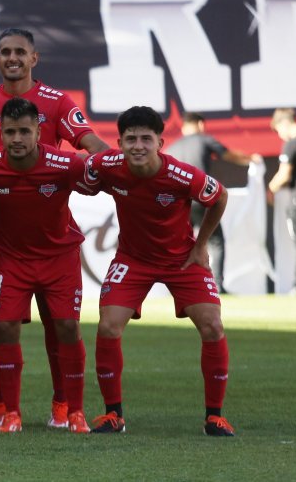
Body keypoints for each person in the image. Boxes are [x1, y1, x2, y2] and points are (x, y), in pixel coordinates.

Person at [0, 28, 108, 429]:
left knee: (61, 327)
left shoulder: (56, 103)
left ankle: (65, 405)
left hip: (49, 231)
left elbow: (91, 145)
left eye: (20, 52)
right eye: (5, 52)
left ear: (34, 58)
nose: (12, 58)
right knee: (1, 323)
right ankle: (6, 406)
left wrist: (111, 169)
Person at [84, 106, 234, 436]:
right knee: (108, 326)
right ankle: (114, 415)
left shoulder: (182, 175)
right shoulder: (106, 165)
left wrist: (200, 246)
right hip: (132, 259)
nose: (138, 145)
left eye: (146, 139)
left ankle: (215, 417)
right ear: (120, 142)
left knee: (212, 325)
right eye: (131, 139)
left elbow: (219, 196)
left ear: (160, 143)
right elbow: (84, 177)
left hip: (182, 259)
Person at [0, 98, 92, 434]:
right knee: (6, 328)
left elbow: (103, 178)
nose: (17, 139)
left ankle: (75, 411)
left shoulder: (66, 164)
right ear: (0, 133)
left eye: (25, 131)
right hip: (12, 259)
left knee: (67, 326)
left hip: (59, 257)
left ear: (40, 132)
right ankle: (11, 413)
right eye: (10, 132)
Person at [165, 112, 260, 292]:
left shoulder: (172, 148)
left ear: (184, 127)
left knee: (180, 244)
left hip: (178, 203)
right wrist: (250, 159)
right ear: (200, 124)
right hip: (200, 198)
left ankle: (178, 284)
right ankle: (216, 284)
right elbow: (229, 155)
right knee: (216, 241)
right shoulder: (204, 140)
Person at [269, 108, 296, 295]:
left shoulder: (292, 145)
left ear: (284, 124)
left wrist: (270, 188)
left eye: (278, 131)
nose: (280, 136)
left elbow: (284, 174)